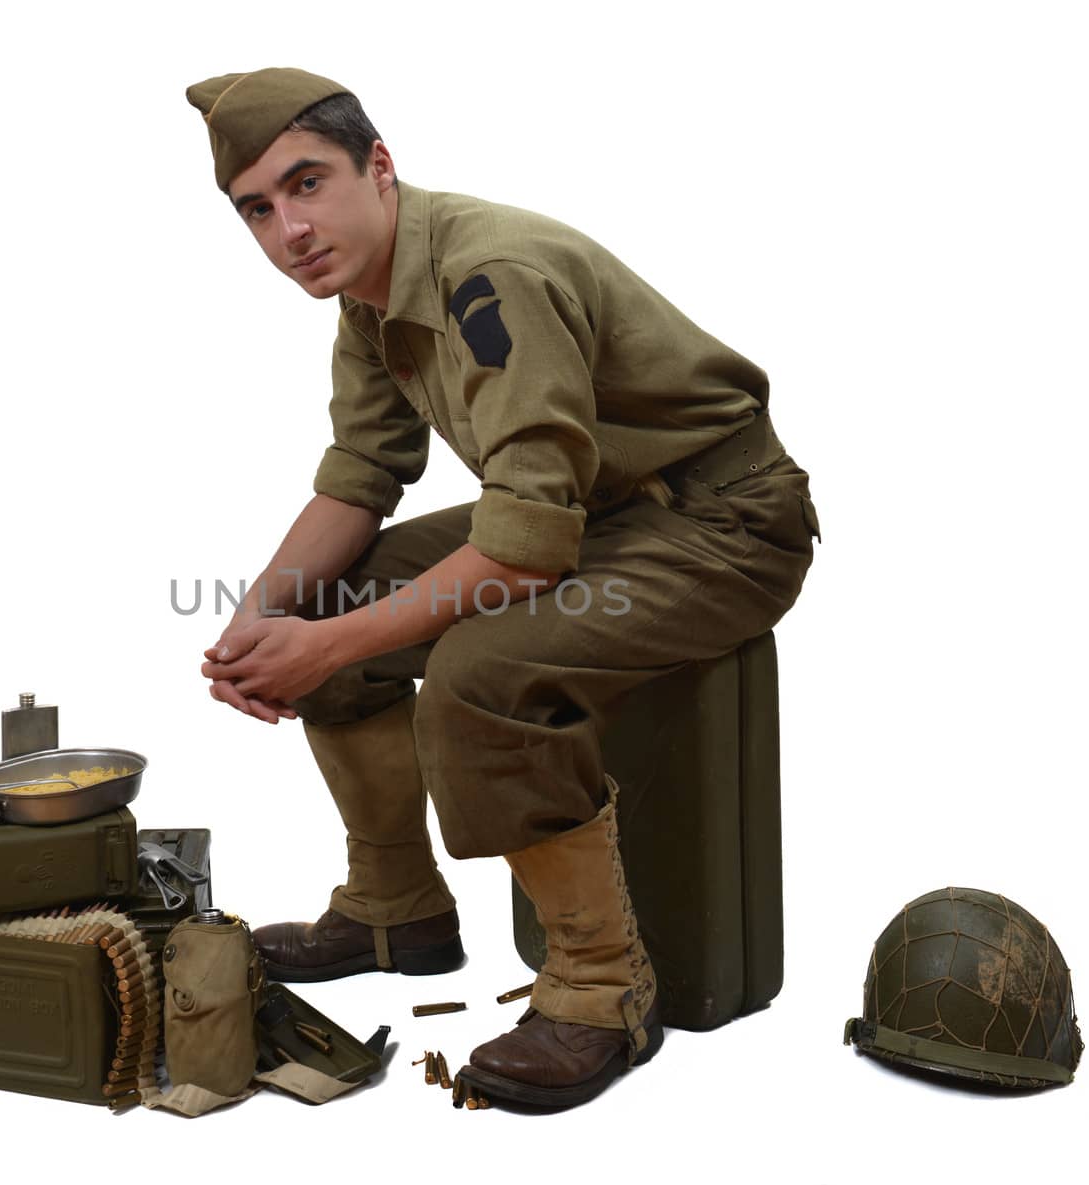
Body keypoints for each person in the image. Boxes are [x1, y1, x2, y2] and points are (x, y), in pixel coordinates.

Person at [189, 67, 820, 1109]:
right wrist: (265, 619)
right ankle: (394, 908)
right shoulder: (371, 290)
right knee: (323, 608)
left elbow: (524, 552)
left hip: (720, 521)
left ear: (378, 168)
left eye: (307, 184)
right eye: (257, 208)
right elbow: (361, 473)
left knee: (484, 671)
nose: (289, 228)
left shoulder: (489, 274)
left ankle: (600, 990)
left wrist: (326, 650)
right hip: (596, 510)